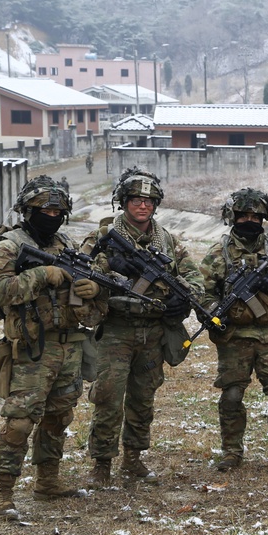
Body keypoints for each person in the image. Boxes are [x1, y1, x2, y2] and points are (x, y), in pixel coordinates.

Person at [0, 176, 107, 518]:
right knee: (20, 421)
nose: (51, 215)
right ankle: (2, 492)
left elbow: (95, 293)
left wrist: (93, 291)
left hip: (68, 346)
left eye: (57, 210)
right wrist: (42, 276)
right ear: (28, 210)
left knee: (58, 418)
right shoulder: (9, 245)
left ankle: (46, 483)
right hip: (31, 349)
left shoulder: (65, 245)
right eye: (44, 209)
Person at [82, 167, 205, 484]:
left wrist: (184, 298)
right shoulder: (104, 237)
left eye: (149, 201)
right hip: (116, 329)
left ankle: (133, 459)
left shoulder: (167, 241)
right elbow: (81, 273)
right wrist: (111, 275)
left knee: (143, 399)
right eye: (136, 199)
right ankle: (102, 464)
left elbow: (194, 279)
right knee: (108, 398)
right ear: (123, 202)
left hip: (153, 332)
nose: (143, 205)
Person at [199, 188, 268, 474]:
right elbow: (201, 292)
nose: (250, 221)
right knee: (232, 396)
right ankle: (232, 453)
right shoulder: (218, 253)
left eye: (255, 216)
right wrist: (213, 312)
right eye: (244, 216)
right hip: (234, 337)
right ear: (232, 218)